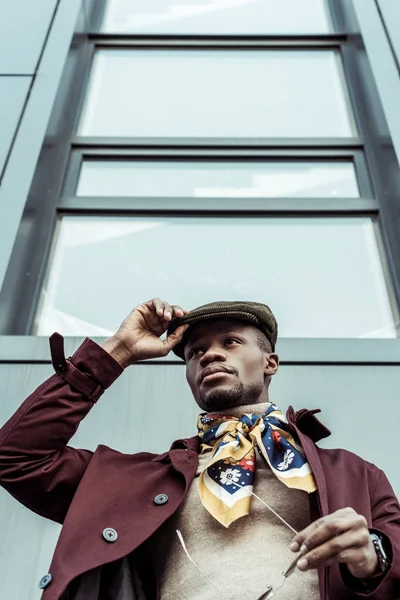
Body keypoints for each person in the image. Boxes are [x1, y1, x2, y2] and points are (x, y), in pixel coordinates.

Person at [0, 298, 399, 600]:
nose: (210, 354)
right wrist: (117, 352)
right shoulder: (133, 481)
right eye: (195, 353)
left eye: (230, 342)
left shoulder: (355, 473)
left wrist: (371, 555)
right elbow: (17, 456)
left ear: (270, 362)